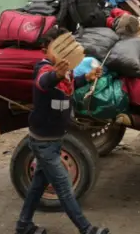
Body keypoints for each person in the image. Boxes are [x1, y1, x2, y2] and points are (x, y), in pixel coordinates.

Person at [16, 27, 109, 234]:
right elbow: (44, 83)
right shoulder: (44, 68)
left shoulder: (64, 71)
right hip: (43, 142)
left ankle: (23, 225)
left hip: (54, 139)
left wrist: (88, 76)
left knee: (38, 185)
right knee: (64, 188)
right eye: (58, 46)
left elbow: (70, 83)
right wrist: (56, 75)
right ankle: (86, 229)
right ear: (46, 49)